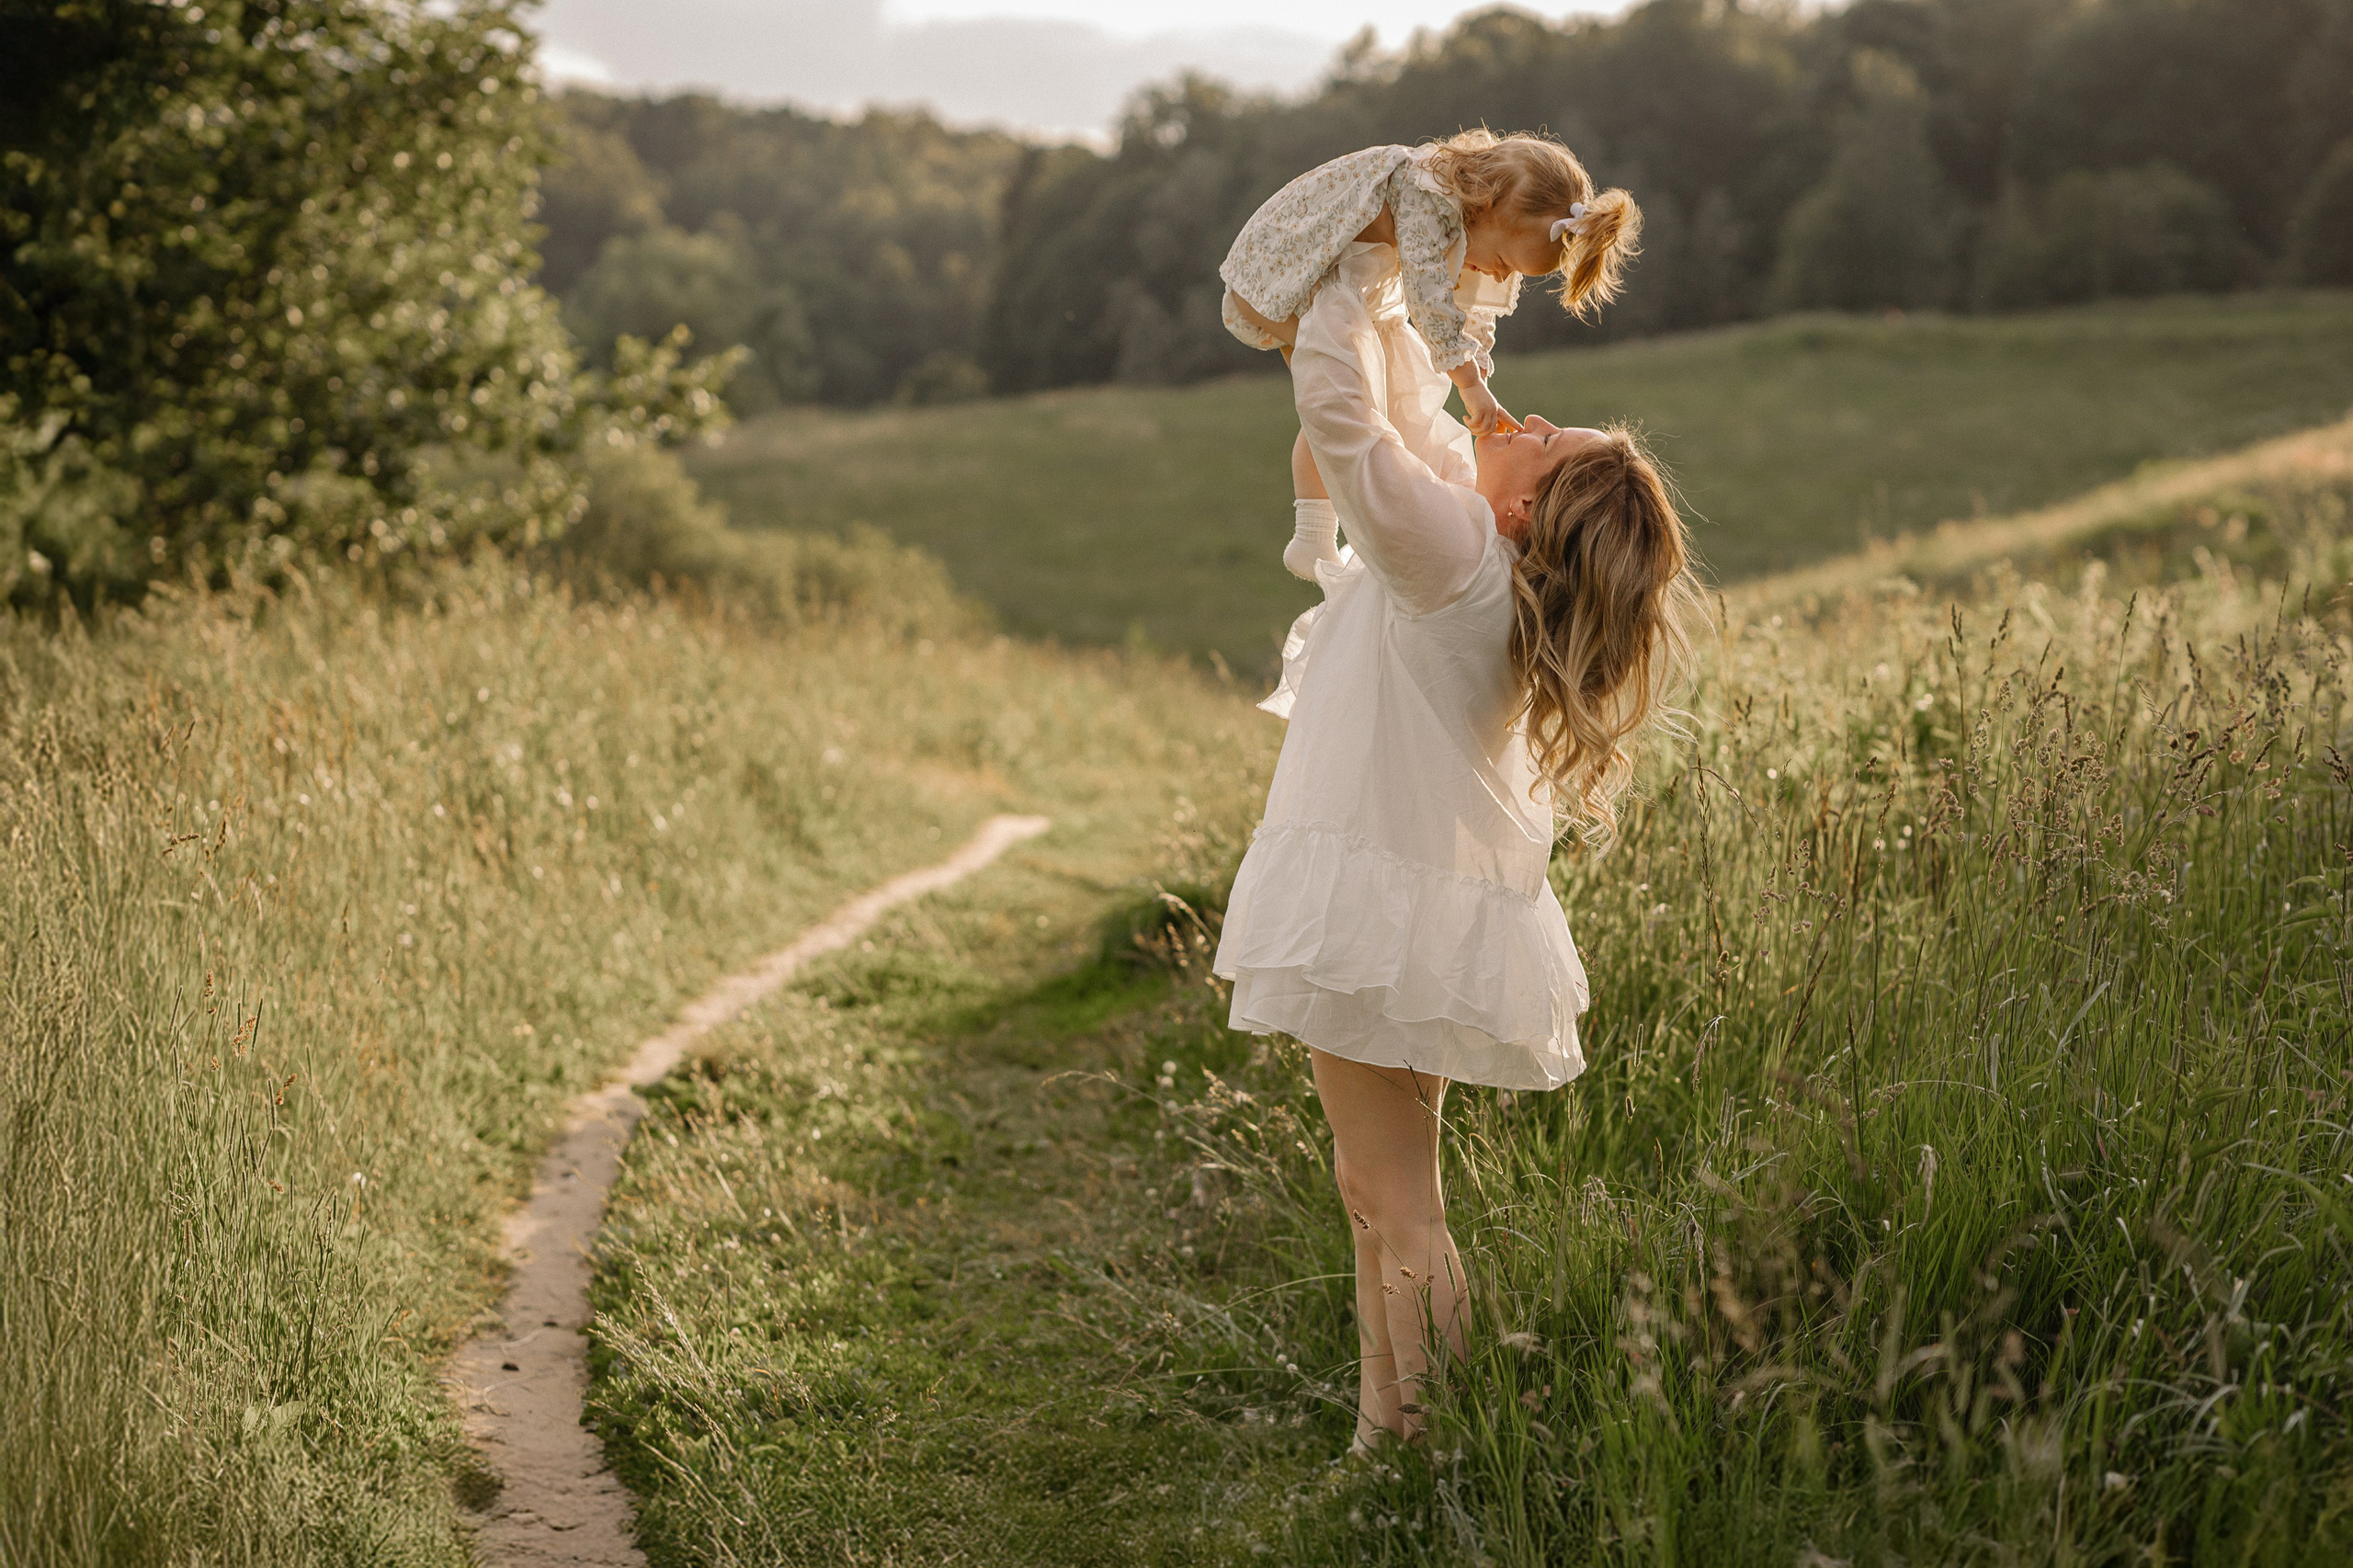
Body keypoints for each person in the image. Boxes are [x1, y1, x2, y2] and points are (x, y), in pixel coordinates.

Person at [1211, 233, 1699, 1451]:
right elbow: (1410, 416)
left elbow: (1346, 419)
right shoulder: (1478, 560)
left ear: (1526, 506)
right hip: (1405, 909)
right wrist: (1409, 295)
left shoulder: (1457, 563)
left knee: (1400, 1202)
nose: (1521, 416)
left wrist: (1328, 286)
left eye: (1543, 434)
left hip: (1367, 909)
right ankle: (1388, 1432)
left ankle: (1431, 1446)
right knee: (1373, 1192)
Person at [1219, 129, 1642, 581]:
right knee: (1347, 398)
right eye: (1502, 258)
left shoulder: (1476, 216)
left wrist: (1476, 364)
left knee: (1361, 398)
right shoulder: (1426, 196)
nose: (1498, 272)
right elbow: (1431, 303)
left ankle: (1326, 531)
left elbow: (1475, 301)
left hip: (1339, 282)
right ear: (1486, 208)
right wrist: (1470, 386)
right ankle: (1315, 536)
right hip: (1284, 271)